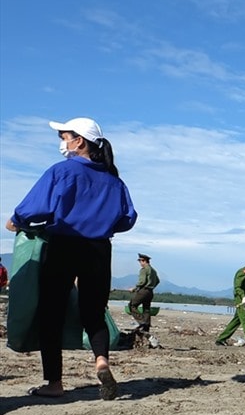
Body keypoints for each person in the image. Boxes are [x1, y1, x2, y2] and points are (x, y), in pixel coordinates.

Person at [5, 117, 137, 399]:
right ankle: (101, 360)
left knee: (51, 312)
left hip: (64, 245)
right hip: (99, 249)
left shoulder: (62, 172)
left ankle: (54, 383)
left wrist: (16, 221)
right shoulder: (114, 180)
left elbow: (33, 207)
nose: (61, 142)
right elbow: (128, 219)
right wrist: (100, 222)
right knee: (93, 312)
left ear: (79, 141)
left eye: (64, 136)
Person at [215, 254, 245, 349]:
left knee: (237, 320)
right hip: (241, 300)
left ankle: (221, 339)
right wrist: (243, 297)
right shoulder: (242, 272)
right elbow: (237, 287)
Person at [128, 253, 159, 332]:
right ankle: (146, 327)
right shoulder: (153, 270)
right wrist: (151, 287)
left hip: (144, 291)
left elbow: (142, 282)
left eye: (140, 261)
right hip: (150, 292)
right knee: (146, 309)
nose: (140, 263)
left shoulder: (144, 269)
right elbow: (157, 281)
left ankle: (142, 322)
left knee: (132, 305)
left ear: (144, 261)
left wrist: (134, 288)